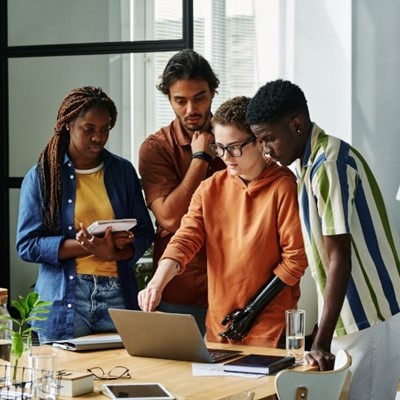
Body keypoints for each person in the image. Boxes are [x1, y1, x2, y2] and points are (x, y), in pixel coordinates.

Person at [246, 79, 400, 399]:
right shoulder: (311, 165)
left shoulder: (328, 163)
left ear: (297, 125)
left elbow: (339, 256)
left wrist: (321, 339)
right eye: (259, 141)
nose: (265, 150)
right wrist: (322, 331)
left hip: (369, 316)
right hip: (352, 317)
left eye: (269, 138)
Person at [138, 96, 308, 347]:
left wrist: (251, 312)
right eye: (219, 148)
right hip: (220, 328)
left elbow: (295, 260)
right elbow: (185, 240)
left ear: (259, 142)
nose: (226, 156)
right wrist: (156, 283)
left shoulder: (283, 186)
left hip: (270, 329)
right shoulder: (210, 189)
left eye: (234, 147)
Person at [16, 86, 155, 343]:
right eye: (88, 129)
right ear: (68, 124)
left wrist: (114, 252)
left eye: (105, 129)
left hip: (117, 295)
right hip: (64, 299)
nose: (98, 137)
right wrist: (87, 246)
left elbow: (145, 232)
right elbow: (27, 245)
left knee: (123, 375)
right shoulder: (42, 177)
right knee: (63, 380)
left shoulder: (122, 171)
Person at [138, 49, 226, 336]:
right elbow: (171, 220)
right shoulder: (156, 148)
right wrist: (200, 159)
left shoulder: (237, 141)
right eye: (180, 100)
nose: (191, 109)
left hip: (234, 288)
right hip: (179, 290)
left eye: (199, 97)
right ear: (168, 98)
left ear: (213, 93)